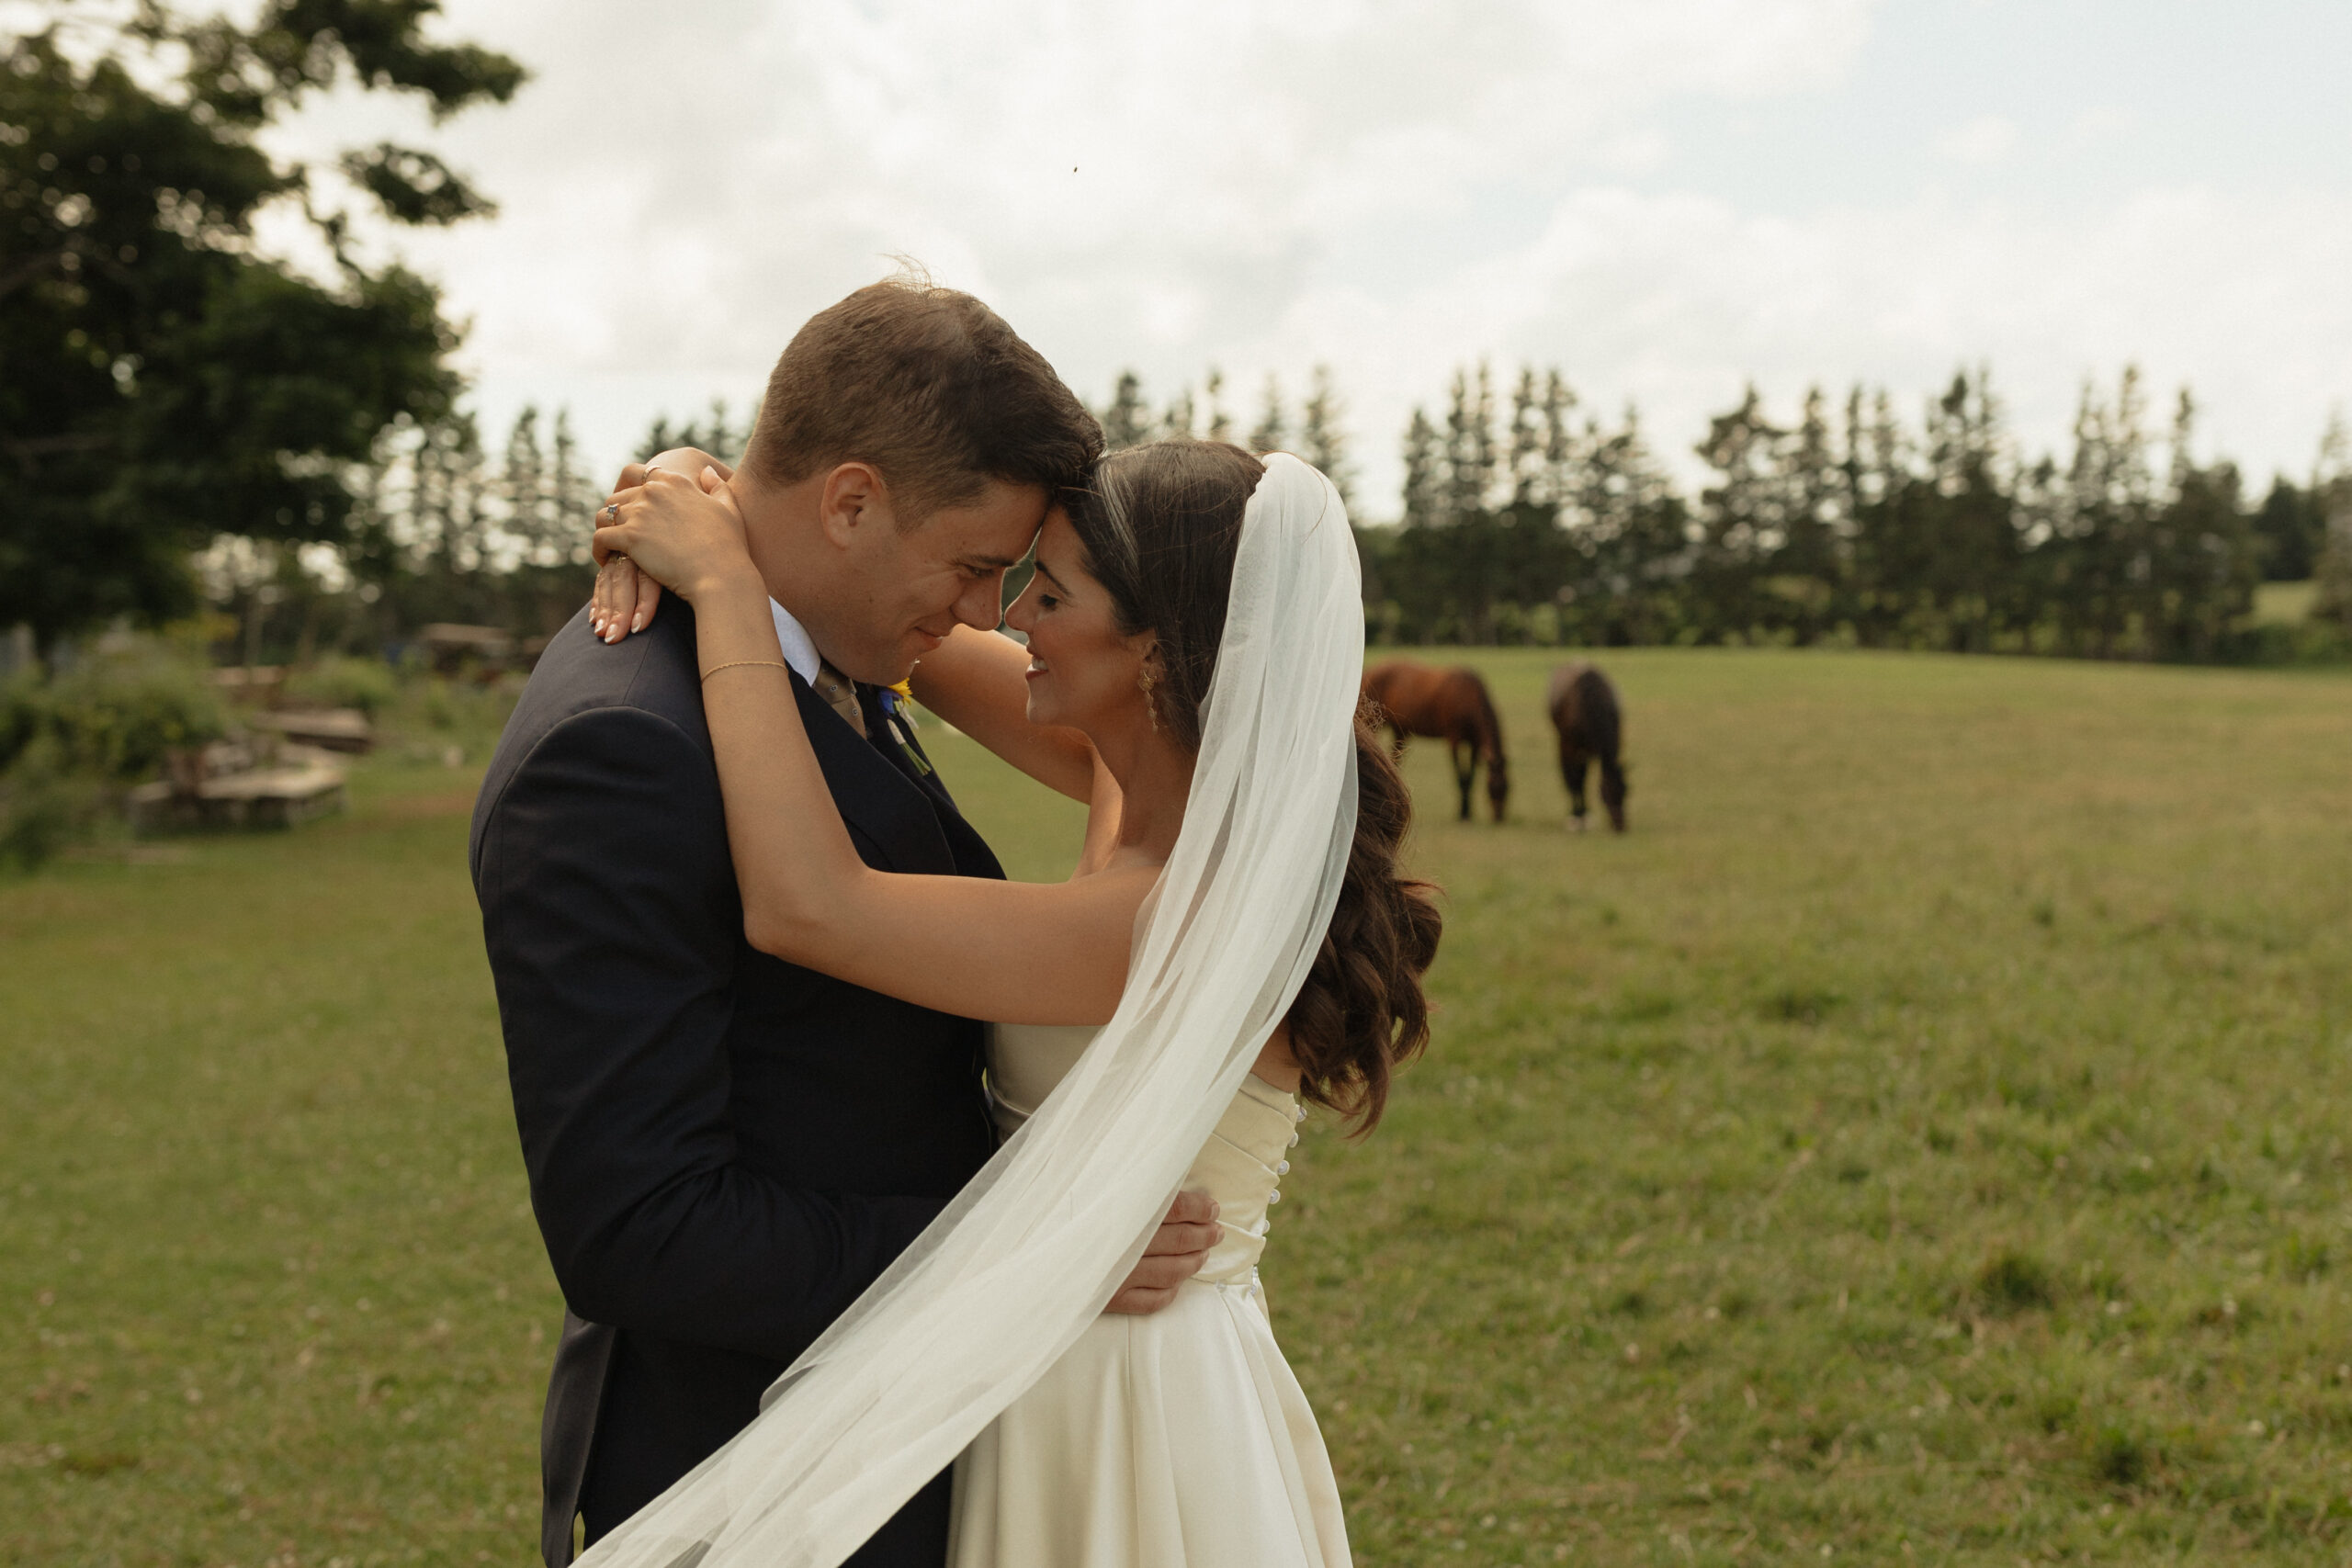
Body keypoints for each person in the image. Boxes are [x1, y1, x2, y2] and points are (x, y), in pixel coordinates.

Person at [469, 276, 1225, 1568]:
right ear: (853, 499)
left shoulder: (827, 652)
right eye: (978, 568)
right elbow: (640, 1228)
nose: (986, 615)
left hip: (896, 1437)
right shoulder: (622, 746)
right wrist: (1031, 1249)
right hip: (764, 1462)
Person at [581, 438, 1441, 1567]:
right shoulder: (1148, 785)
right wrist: (718, 488)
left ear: (1152, 653)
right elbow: (894, 626)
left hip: (1128, 1390)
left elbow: (809, 906)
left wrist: (728, 585)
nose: (1013, 612)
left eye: (1053, 589)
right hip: (1063, 1346)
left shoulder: (1171, 916)